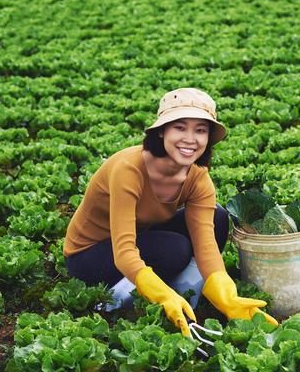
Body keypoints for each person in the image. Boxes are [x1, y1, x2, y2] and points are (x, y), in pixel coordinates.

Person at [63, 88, 277, 336]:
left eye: (200, 130)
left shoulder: (197, 177)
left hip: (144, 235)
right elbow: (124, 250)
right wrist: (160, 294)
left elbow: (206, 246)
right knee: (174, 249)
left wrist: (227, 297)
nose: (190, 139)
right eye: (180, 127)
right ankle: (117, 300)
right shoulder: (128, 170)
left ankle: (182, 297)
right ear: (162, 131)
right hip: (90, 253)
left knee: (218, 218)